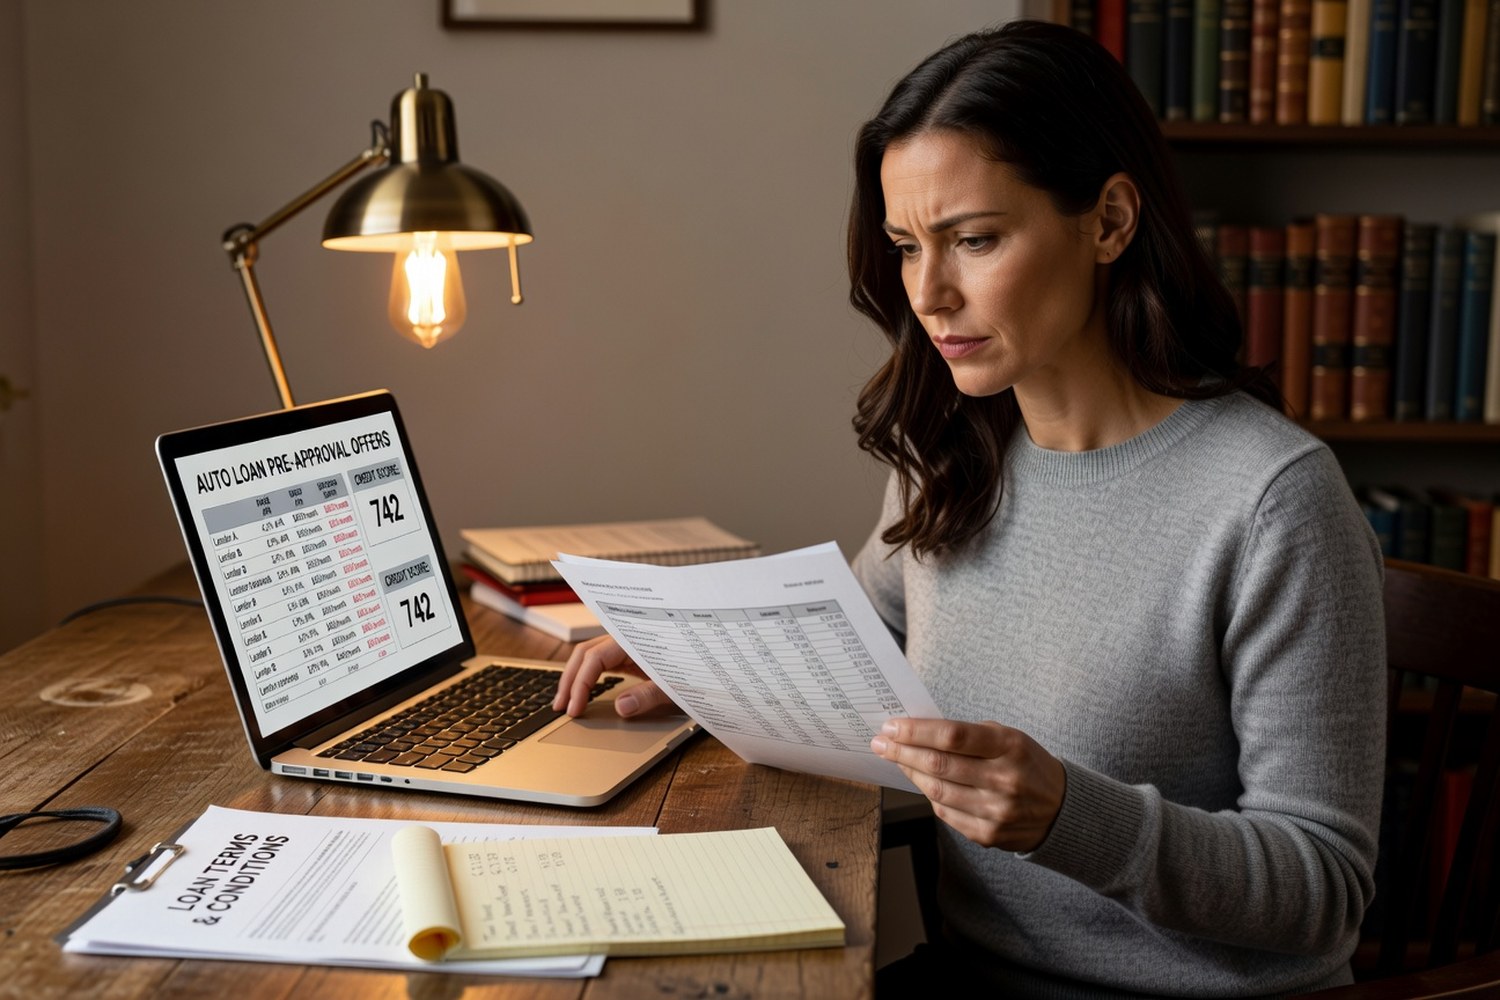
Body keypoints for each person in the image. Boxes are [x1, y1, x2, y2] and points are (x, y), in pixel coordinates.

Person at [554, 19, 1387, 997]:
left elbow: (1324, 886)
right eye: (908, 247)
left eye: (975, 240)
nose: (930, 294)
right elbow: (854, 640)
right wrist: (699, 651)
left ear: (1110, 221)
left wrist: (1072, 815)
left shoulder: (1273, 500)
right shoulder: (954, 452)